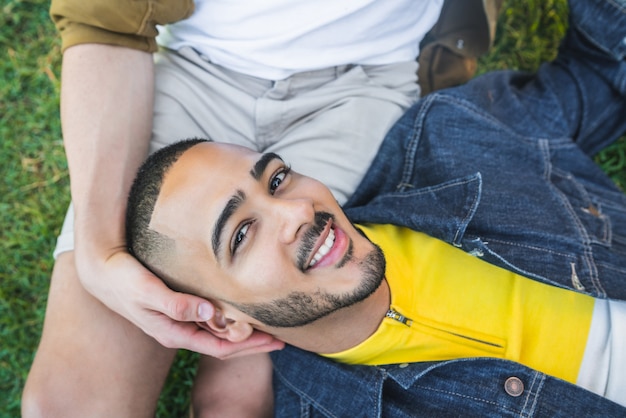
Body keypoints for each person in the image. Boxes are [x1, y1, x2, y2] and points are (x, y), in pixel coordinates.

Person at [124, 0, 626, 415]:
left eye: (276, 180)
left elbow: (596, 77)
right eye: (240, 234)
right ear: (225, 322)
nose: (297, 211)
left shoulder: (447, 138)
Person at [22, 0, 507, 416]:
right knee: (72, 403)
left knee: (235, 403)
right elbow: (106, 19)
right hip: (198, 66)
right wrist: (96, 250)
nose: (297, 214)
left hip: (368, 83)